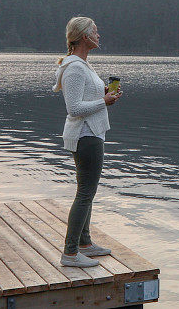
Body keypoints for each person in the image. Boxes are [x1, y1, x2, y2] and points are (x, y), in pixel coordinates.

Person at [52, 16, 123, 267]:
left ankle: (85, 243)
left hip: (92, 132)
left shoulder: (83, 65)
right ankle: (70, 252)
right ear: (84, 36)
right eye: (95, 31)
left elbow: (84, 98)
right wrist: (103, 102)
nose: (99, 35)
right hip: (85, 135)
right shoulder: (74, 68)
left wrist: (103, 95)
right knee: (85, 193)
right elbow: (74, 108)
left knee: (87, 192)